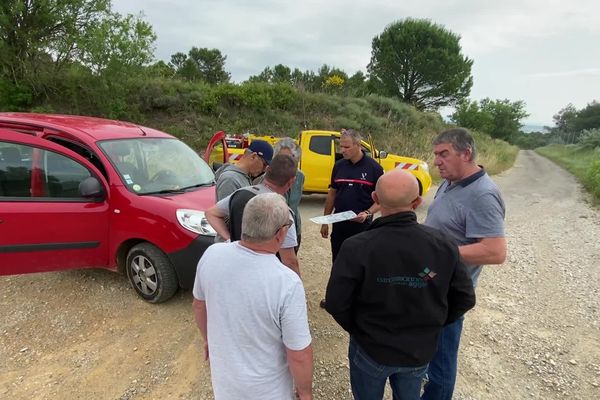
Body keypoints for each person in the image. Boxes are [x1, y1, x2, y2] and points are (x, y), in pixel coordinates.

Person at [324, 169, 476, 400]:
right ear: (417, 202)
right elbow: (464, 298)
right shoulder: (443, 245)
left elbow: (336, 303)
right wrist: (432, 325)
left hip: (370, 349)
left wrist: (361, 330)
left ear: (374, 198)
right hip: (417, 352)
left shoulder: (356, 246)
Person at [193, 193, 313, 400]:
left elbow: (199, 306)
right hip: (269, 391)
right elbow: (299, 354)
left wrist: (208, 341)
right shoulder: (287, 283)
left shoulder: (212, 254)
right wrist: (305, 393)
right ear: (281, 233)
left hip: (225, 386)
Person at [421, 128, 507, 400]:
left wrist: (443, 252)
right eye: (436, 154)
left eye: (443, 154)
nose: (437, 161)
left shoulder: (483, 194)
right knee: (427, 350)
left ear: (466, 153)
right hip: (430, 282)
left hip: (448, 293)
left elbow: (495, 251)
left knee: (442, 364)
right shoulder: (450, 181)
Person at [205, 154, 301, 276]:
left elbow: (211, 213)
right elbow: (290, 261)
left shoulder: (239, 194)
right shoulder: (283, 213)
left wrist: (230, 239)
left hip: (235, 267)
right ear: (291, 181)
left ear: (266, 171)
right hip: (263, 275)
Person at [319, 129, 384, 307]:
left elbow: (382, 200)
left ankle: (359, 300)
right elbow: (332, 194)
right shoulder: (339, 166)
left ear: (358, 145)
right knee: (337, 262)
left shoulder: (374, 169)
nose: (343, 150)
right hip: (340, 226)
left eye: (346, 146)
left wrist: (368, 213)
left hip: (363, 229)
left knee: (360, 264)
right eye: (341, 146)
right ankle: (334, 299)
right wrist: (325, 221)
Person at [273, 137, 305, 252]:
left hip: (294, 229)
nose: (286, 163)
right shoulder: (266, 176)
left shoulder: (300, 176)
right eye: (282, 158)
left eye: (291, 158)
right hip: (273, 232)